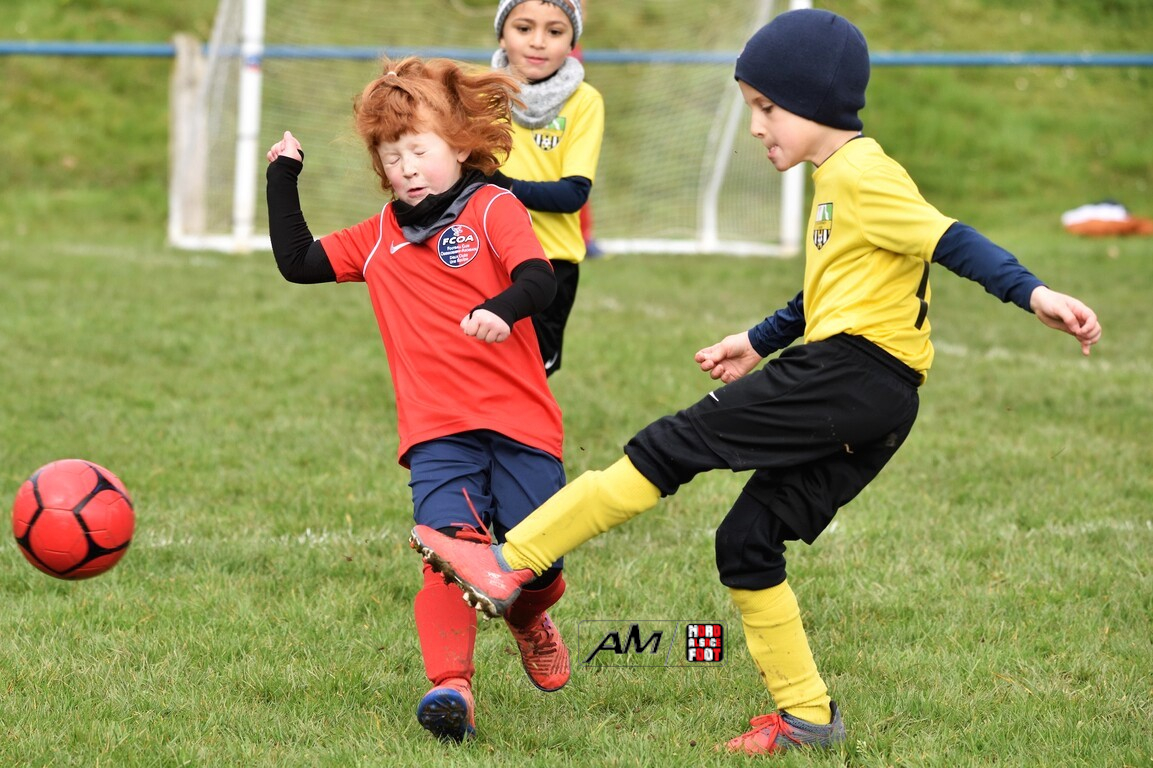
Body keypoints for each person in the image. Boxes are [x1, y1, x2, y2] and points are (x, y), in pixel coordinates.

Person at [408, 9, 1103, 756]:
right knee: (747, 543)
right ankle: (807, 719)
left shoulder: (865, 174)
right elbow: (824, 293)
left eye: (766, 107)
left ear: (813, 100)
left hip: (848, 374)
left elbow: (951, 239)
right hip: (880, 400)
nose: (754, 127)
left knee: (667, 447)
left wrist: (1032, 292)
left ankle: (510, 561)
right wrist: (755, 341)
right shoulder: (838, 180)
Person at [264, 56, 572, 744]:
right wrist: (282, 176)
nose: (406, 168)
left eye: (418, 150)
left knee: (538, 562)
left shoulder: (493, 208)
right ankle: (451, 688)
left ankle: (530, 617)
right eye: (391, 156)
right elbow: (298, 262)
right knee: (448, 551)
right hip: (437, 432)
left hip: (521, 421)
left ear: (458, 146)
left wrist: (502, 307)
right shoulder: (378, 237)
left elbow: (539, 279)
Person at [487, 0, 605, 375]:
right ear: (502, 35)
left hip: (549, 264)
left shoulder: (585, 101)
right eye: (524, 28)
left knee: (527, 378)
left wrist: (501, 186)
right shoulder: (479, 95)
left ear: (572, 41)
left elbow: (572, 195)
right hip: (485, 258)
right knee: (475, 374)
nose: (538, 41)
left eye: (554, 31)